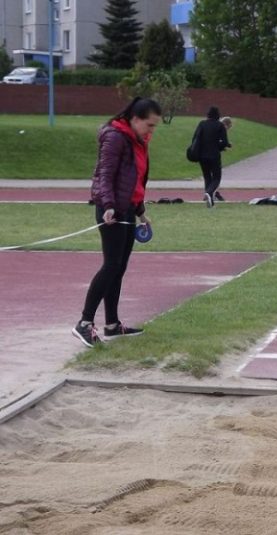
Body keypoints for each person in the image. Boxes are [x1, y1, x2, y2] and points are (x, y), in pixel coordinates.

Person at [71, 97, 162, 348]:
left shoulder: (137, 140)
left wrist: (140, 211)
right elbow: (105, 176)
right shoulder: (114, 137)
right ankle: (84, 323)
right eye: (149, 125)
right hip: (111, 211)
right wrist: (109, 206)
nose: (151, 131)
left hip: (128, 210)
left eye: (155, 126)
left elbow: (133, 180)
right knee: (111, 265)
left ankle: (112, 324)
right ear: (134, 119)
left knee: (119, 267)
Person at [193, 106, 231, 208]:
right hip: (214, 155)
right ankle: (209, 193)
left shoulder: (202, 124)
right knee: (216, 177)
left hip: (202, 156)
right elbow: (224, 142)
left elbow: (195, 138)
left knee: (207, 176)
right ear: (218, 115)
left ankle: (210, 200)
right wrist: (220, 147)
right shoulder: (220, 126)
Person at [216, 116, 234, 201]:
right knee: (216, 175)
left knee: (211, 175)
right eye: (228, 128)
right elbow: (220, 142)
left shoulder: (215, 128)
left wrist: (223, 147)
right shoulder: (220, 129)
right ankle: (215, 193)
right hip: (214, 155)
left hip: (208, 154)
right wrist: (226, 145)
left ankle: (212, 192)